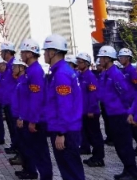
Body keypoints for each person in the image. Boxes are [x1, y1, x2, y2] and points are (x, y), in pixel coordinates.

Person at [42, 34, 85, 180]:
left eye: (46, 51)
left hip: (65, 129)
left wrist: (61, 133)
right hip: (65, 127)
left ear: (52, 53)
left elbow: (65, 106)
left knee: (70, 170)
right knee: (69, 169)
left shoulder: (61, 74)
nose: (44, 54)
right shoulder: (60, 72)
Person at [98, 45, 137, 180]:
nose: (100, 60)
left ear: (108, 59)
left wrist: (127, 110)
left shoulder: (115, 74)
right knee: (119, 145)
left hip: (120, 114)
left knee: (124, 145)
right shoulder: (105, 73)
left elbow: (125, 93)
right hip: (111, 113)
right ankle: (127, 170)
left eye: (102, 58)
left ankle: (132, 173)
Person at [19, 39, 50, 180]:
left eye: (23, 52)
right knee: (33, 149)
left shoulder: (36, 71)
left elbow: (37, 98)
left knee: (40, 152)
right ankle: (33, 172)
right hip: (29, 116)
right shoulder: (30, 70)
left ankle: (46, 177)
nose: (21, 55)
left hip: (36, 119)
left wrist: (33, 121)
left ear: (30, 54)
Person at [76, 52, 105, 168]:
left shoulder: (90, 77)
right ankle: (94, 156)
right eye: (78, 62)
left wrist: (92, 109)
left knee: (95, 135)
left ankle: (99, 158)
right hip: (83, 111)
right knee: (88, 135)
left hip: (90, 112)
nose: (78, 64)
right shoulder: (80, 76)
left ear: (86, 64)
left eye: (80, 62)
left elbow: (93, 95)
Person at [0, 42, 20, 155]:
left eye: (2, 52)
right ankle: (14, 145)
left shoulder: (14, 66)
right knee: (11, 127)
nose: (1, 54)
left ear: (7, 52)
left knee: (14, 127)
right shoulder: (8, 66)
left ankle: (17, 148)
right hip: (7, 101)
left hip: (12, 102)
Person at [10, 60, 30, 171]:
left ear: (21, 68)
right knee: (20, 141)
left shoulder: (25, 81)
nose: (13, 69)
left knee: (25, 143)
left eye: (15, 67)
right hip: (16, 114)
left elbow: (25, 102)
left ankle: (28, 169)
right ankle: (23, 163)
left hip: (21, 117)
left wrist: (21, 117)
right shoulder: (19, 80)